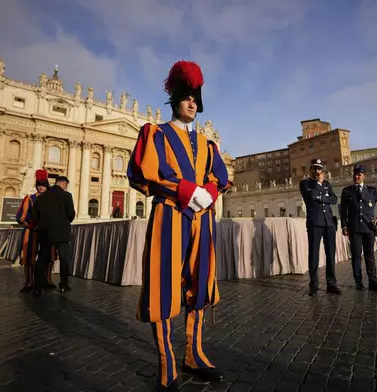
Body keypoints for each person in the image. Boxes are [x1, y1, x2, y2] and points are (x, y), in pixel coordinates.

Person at [127, 60, 232, 391]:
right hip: (170, 215)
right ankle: (167, 362)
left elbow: (221, 177)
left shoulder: (207, 144)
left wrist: (210, 193)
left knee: (199, 284)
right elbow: (145, 173)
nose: (192, 103)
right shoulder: (155, 133)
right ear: (174, 99)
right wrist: (188, 191)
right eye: (187, 96)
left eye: (196, 98)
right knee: (163, 286)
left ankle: (194, 353)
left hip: (203, 219)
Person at [340, 163, 377, 292]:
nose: (356, 176)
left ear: (364, 176)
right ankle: (358, 282)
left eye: (359, 174)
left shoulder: (372, 190)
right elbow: (343, 211)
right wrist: (344, 225)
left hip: (369, 228)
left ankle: (373, 281)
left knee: (369, 255)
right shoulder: (347, 191)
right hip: (354, 228)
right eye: (355, 174)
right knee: (356, 256)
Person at [299, 158, 342, 297]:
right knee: (314, 254)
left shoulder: (327, 184)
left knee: (330, 254)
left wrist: (320, 197)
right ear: (310, 170)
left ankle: (331, 284)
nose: (317, 171)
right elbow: (310, 197)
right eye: (314, 169)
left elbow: (334, 200)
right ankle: (314, 285)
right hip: (315, 223)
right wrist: (319, 185)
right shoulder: (305, 183)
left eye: (319, 169)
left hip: (329, 222)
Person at [32, 176, 75, 295]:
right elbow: (71, 214)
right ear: (64, 184)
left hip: (45, 231)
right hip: (62, 232)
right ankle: (64, 285)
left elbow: (35, 216)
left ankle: (37, 286)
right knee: (64, 259)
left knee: (42, 258)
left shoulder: (41, 197)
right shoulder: (66, 196)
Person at [14, 169, 55, 292]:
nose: (41, 187)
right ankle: (29, 282)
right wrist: (26, 222)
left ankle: (46, 279)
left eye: (43, 185)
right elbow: (20, 215)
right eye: (39, 185)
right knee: (28, 256)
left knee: (49, 255)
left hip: (47, 231)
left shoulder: (52, 199)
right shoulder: (30, 199)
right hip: (31, 230)